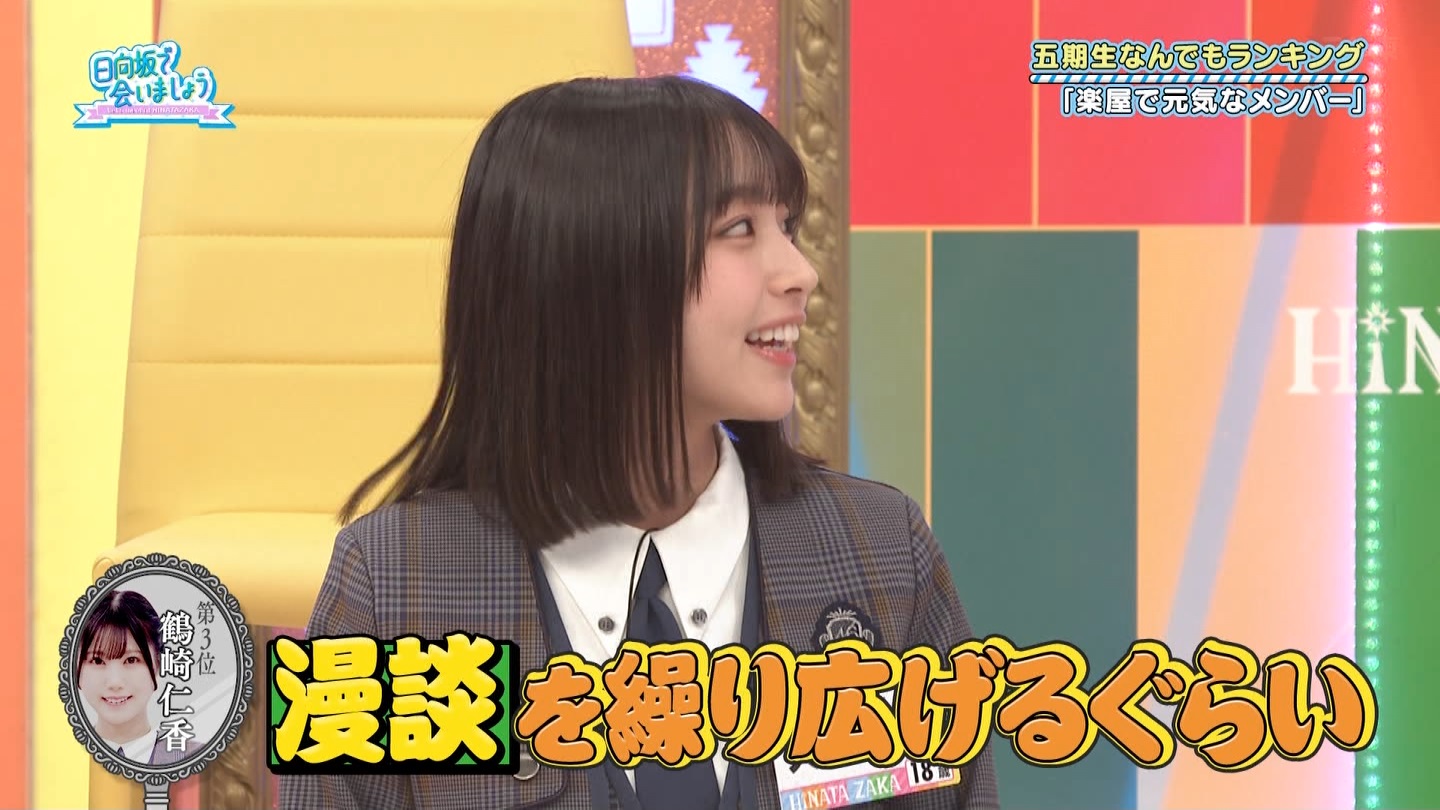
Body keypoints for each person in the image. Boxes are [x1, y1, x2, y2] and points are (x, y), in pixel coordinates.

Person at [279, 75, 999, 810]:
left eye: (787, 225)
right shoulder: (395, 584)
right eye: (739, 229)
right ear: (593, 267)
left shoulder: (880, 550)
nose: (801, 273)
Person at [75, 589, 193, 766]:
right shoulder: (53, 762)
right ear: (77, 666)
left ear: (158, 663)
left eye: (131, 660)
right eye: (97, 660)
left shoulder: (199, 762)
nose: (115, 682)